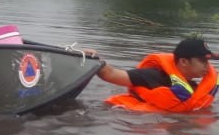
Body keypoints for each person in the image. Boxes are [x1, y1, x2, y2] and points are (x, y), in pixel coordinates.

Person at [87, 38, 218, 113]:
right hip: (116, 115)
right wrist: (92, 58)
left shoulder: (194, 89)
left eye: (207, 60)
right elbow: (110, 74)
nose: (207, 65)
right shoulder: (152, 75)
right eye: (203, 61)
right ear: (183, 61)